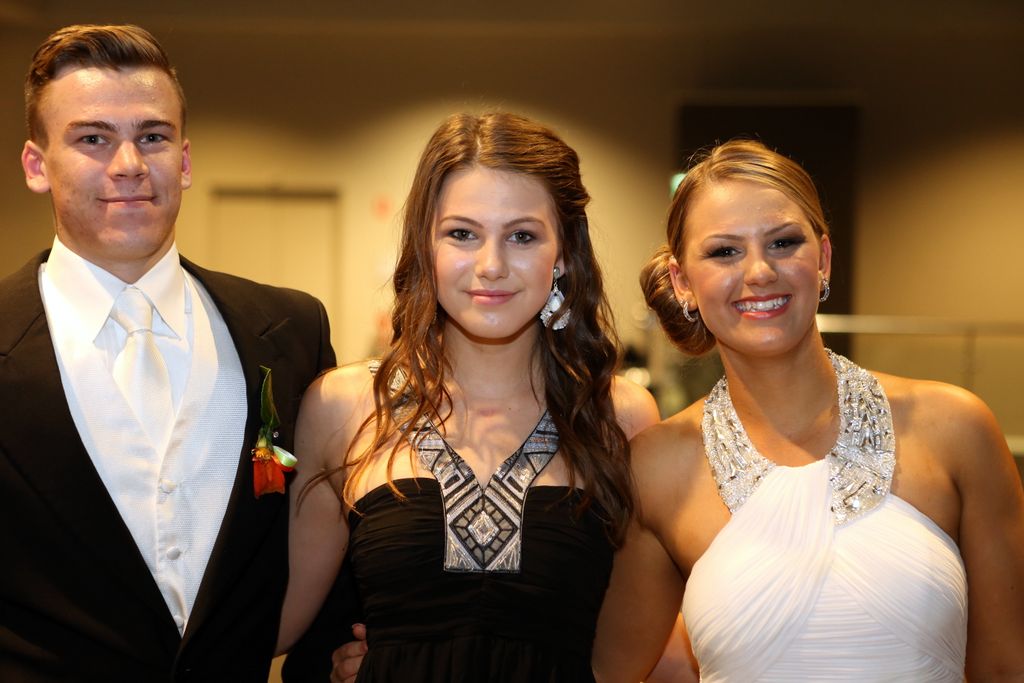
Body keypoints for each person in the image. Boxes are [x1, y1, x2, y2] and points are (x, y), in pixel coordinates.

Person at [591, 139, 1024, 681]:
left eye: (783, 242)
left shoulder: (955, 428)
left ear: (823, 259)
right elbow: (604, 670)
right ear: (683, 283)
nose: (759, 272)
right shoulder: (655, 467)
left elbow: (1007, 665)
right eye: (724, 251)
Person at [0, 24, 335, 681]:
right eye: (93, 139)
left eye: (151, 137)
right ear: (37, 166)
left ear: (183, 161)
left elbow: (330, 524)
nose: (129, 164)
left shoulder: (292, 331)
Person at [277, 112, 660, 681]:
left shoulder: (618, 416)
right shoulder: (345, 405)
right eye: (462, 234)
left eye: (522, 236)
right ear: (425, 244)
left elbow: (632, 651)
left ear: (563, 253)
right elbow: (275, 624)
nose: (491, 266)